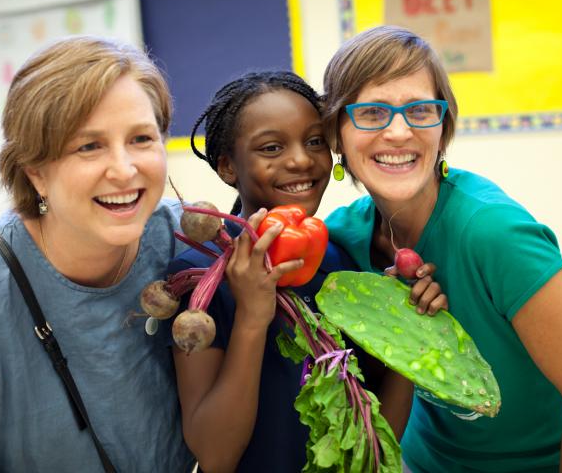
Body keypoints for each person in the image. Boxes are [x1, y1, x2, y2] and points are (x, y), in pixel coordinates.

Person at [320, 25, 562, 472]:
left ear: (442, 129)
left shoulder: (493, 233)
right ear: (336, 133)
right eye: (371, 113)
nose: (399, 132)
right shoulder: (342, 240)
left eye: (421, 110)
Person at [0, 37, 195, 472]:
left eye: (141, 138)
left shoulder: (186, 244)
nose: (125, 169)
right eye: (88, 146)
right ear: (35, 170)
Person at [168, 71, 448, 473]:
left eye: (315, 141)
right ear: (228, 166)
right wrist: (251, 317)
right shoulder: (197, 278)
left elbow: (377, 435)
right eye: (271, 147)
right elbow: (214, 456)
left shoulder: (344, 262)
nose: (300, 159)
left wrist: (409, 331)